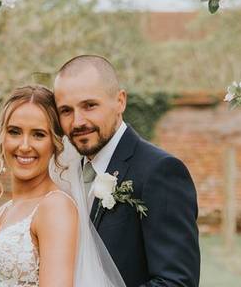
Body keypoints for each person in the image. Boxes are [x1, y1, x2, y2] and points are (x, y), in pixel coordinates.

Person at [54, 55, 201, 287]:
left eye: (89, 105)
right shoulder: (64, 175)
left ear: (120, 101)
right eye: (65, 111)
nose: (78, 122)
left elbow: (176, 282)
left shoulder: (160, 171)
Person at [0, 85, 80, 287]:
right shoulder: (1, 214)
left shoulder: (55, 208)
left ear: (55, 143)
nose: (25, 145)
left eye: (38, 134)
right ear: (2, 136)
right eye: (14, 132)